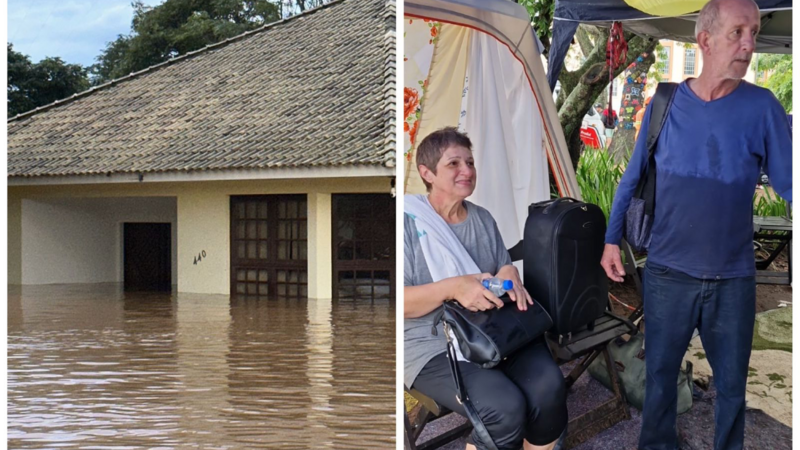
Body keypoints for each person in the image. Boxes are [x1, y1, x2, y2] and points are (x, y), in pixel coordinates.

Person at [600, 1, 792, 449]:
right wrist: (612, 241)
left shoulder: (762, 107)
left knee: (731, 389)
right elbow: (632, 177)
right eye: (737, 32)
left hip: (733, 279)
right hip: (668, 273)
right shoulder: (664, 103)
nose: (749, 44)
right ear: (704, 40)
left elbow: (791, 183)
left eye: (754, 32)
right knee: (661, 379)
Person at [404, 127, 567, 450]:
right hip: (430, 344)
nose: (467, 171)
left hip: (492, 330)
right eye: (453, 164)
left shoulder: (482, 219)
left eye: (470, 162)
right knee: (503, 408)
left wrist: (510, 275)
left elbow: (501, 269)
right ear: (427, 173)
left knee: (549, 389)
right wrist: (453, 287)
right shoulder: (408, 223)